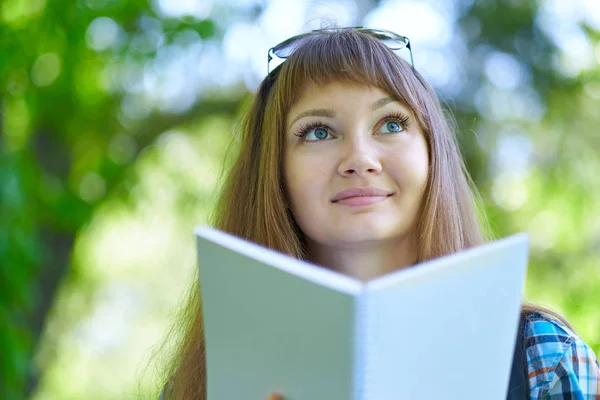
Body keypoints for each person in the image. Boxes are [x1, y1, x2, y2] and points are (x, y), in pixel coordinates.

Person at [157, 27, 600, 399]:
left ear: (432, 155)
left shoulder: (543, 356)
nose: (360, 158)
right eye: (318, 131)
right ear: (273, 173)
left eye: (391, 124)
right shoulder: (206, 377)